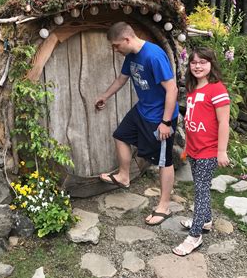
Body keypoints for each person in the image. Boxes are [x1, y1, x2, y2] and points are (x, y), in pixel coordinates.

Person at [95, 22, 179, 226]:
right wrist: (105, 96)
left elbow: (172, 89)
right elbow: (122, 79)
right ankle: (124, 176)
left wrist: (166, 122)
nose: (115, 50)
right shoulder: (131, 56)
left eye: (116, 45)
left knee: (163, 161)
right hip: (142, 110)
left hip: (160, 117)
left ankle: (164, 205)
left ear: (127, 39)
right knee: (120, 135)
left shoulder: (153, 55)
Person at [172, 47, 230, 256]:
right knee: (200, 187)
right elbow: (191, 120)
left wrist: (221, 151)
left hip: (209, 150)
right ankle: (205, 221)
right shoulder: (193, 89)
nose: (197, 66)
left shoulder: (217, 89)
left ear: (211, 65)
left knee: (201, 191)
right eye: (194, 63)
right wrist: (187, 146)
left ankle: (195, 235)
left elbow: (224, 122)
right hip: (195, 149)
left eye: (202, 62)